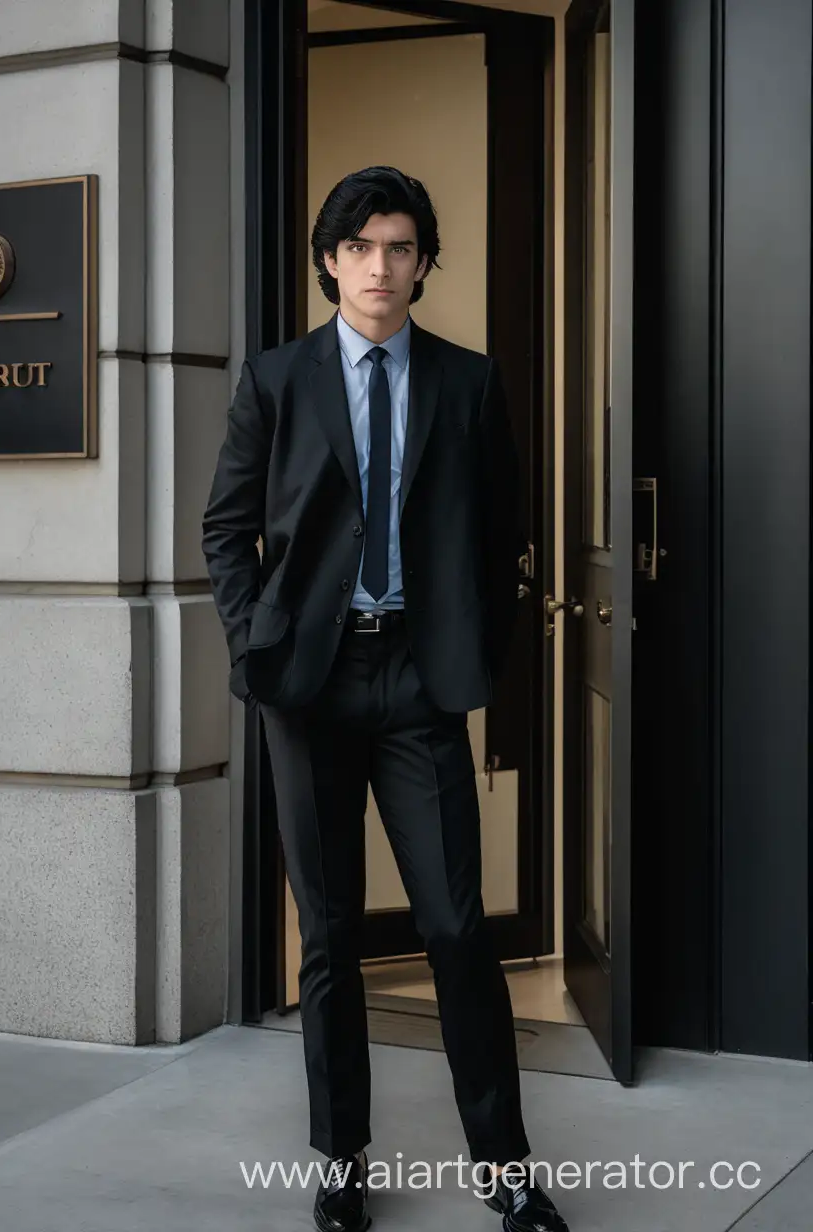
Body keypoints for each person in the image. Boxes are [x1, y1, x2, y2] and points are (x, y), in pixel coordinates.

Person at [202, 166, 569, 1232]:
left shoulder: (465, 381)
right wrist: (254, 638)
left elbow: (504, 531)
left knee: (457, 926)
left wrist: (470, 651)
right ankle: (342, 1159)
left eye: (400, 247)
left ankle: (505, 1169)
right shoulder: (276, 379)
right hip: (307, 688)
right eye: (360, 247)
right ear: (329, 260)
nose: (380, 265)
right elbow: (226, 527)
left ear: (421, 262)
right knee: (328, 936)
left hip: (416, 681)